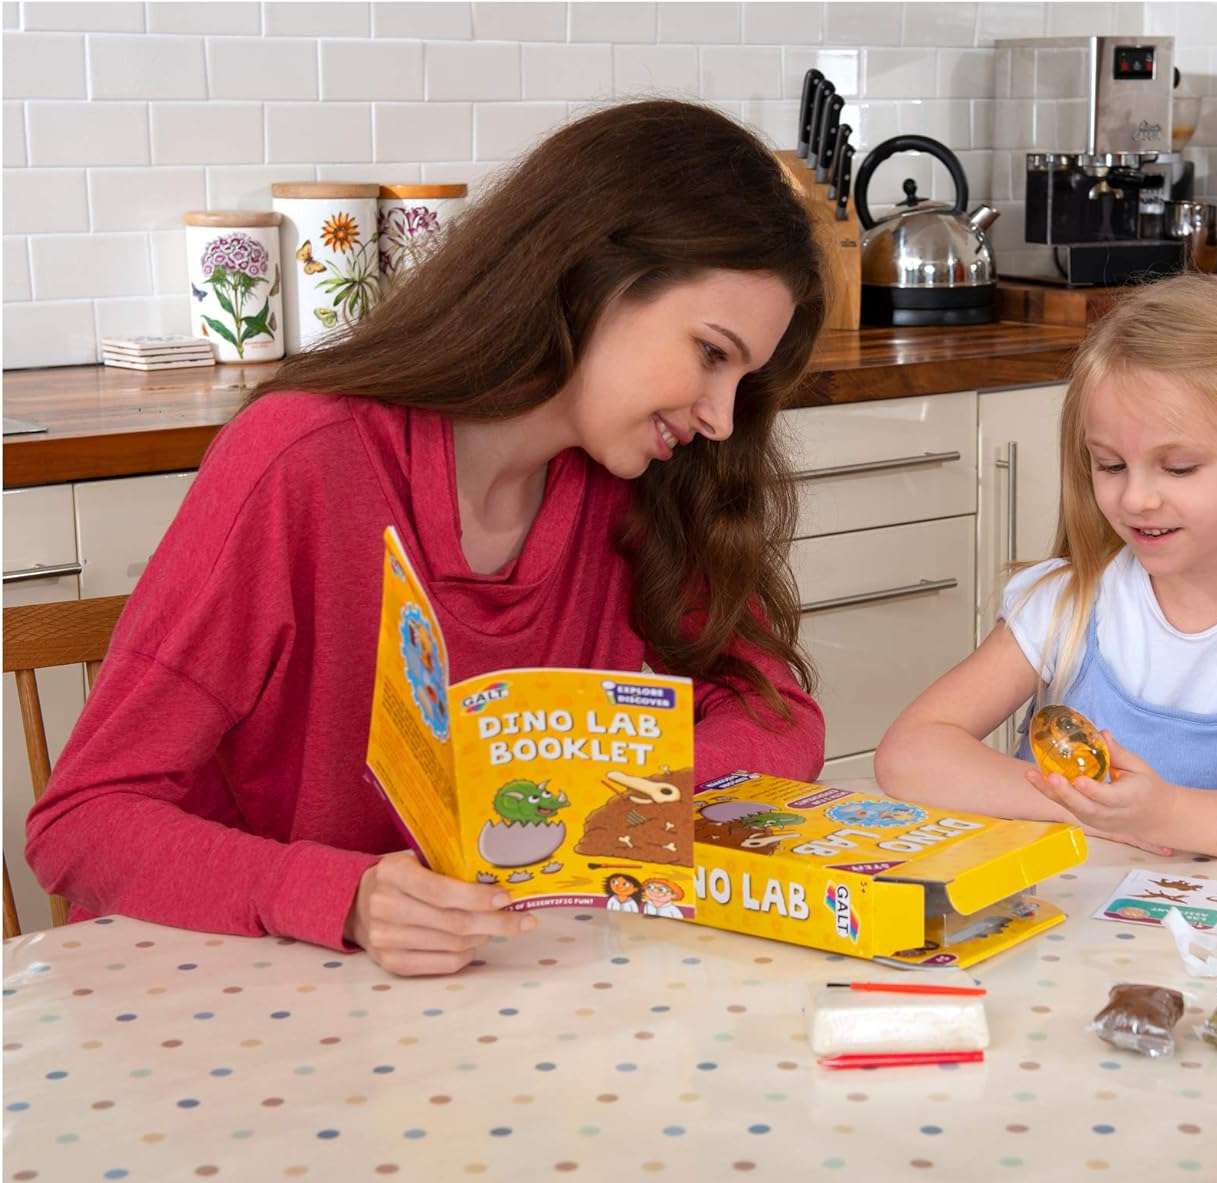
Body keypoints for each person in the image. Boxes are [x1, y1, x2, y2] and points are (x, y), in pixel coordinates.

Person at [25, 100, 827, 976]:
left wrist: (620, 793)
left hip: (489, 997)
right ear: (594, 274)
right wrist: (344, 897)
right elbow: (81, 822)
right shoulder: (302, 461)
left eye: (743, 380)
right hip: (239, 988)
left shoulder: (642, 489)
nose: (721, 419)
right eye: (711, 353)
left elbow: (776, 714)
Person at [874, 272, 1217, 869]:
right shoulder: (1066, 603)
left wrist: (1160, 812)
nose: (1136, 499)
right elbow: (910, 752)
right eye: (1111, 465)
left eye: (1178, 468)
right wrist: (1085, 808)